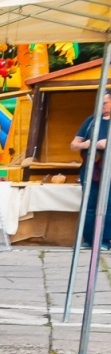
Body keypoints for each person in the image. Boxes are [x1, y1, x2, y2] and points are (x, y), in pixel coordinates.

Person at [70, 91, 111, 247]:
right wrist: (84, 144)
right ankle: (88, 239)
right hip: (90, 169)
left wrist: (108, 142)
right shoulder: (91, 121)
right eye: (100, 103)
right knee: (89, 204)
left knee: (108, 205)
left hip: (109, 169)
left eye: (105, 103)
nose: (101, 106)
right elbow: (73, 144)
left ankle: (105, 240)